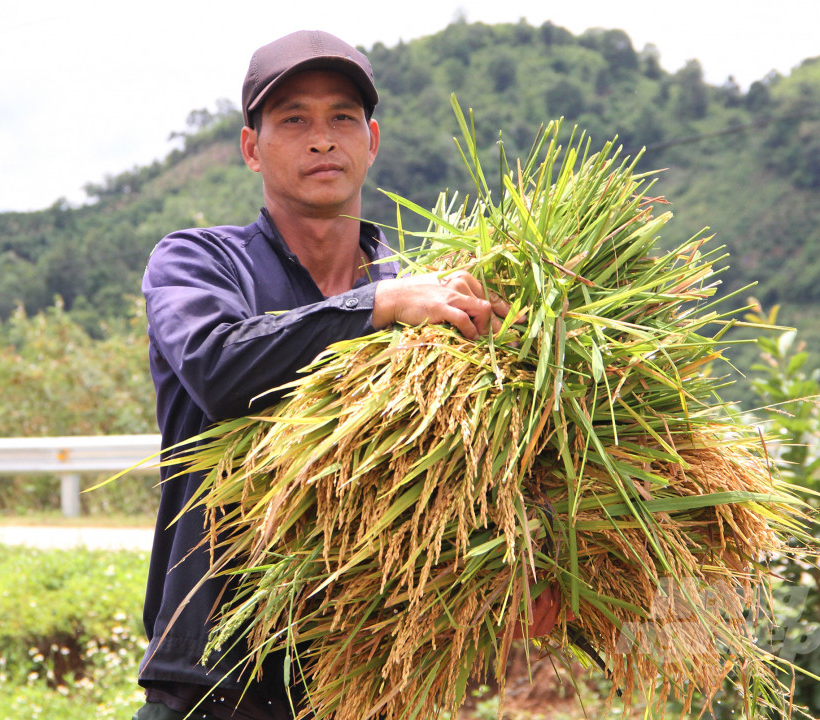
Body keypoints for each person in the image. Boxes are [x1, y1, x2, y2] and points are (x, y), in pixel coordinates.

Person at [134, 30, 551, 720]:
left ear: (372, 140)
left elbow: (479, 463)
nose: (322, 139)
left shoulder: (433, 297)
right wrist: (377, 305)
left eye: (342, 118)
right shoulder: (198, 263)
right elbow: (218, 366)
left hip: (369, 680)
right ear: (251, 148)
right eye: (294, 119)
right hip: (216, 680)